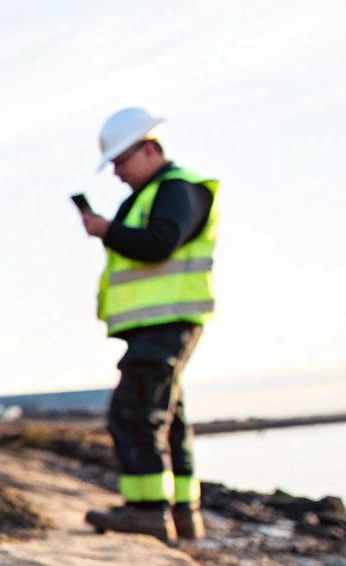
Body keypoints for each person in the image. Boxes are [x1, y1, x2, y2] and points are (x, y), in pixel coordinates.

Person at [75, 107, 218, 542]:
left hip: (167, 320)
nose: (116, 173)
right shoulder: (154, 193)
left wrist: (107, 230)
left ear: (150, 149)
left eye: (120, 162)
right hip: (159, 322)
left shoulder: (176, 190)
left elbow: (160, 243)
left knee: (136, 412)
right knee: (167, 417)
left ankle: (148, 511)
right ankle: (182, 514)